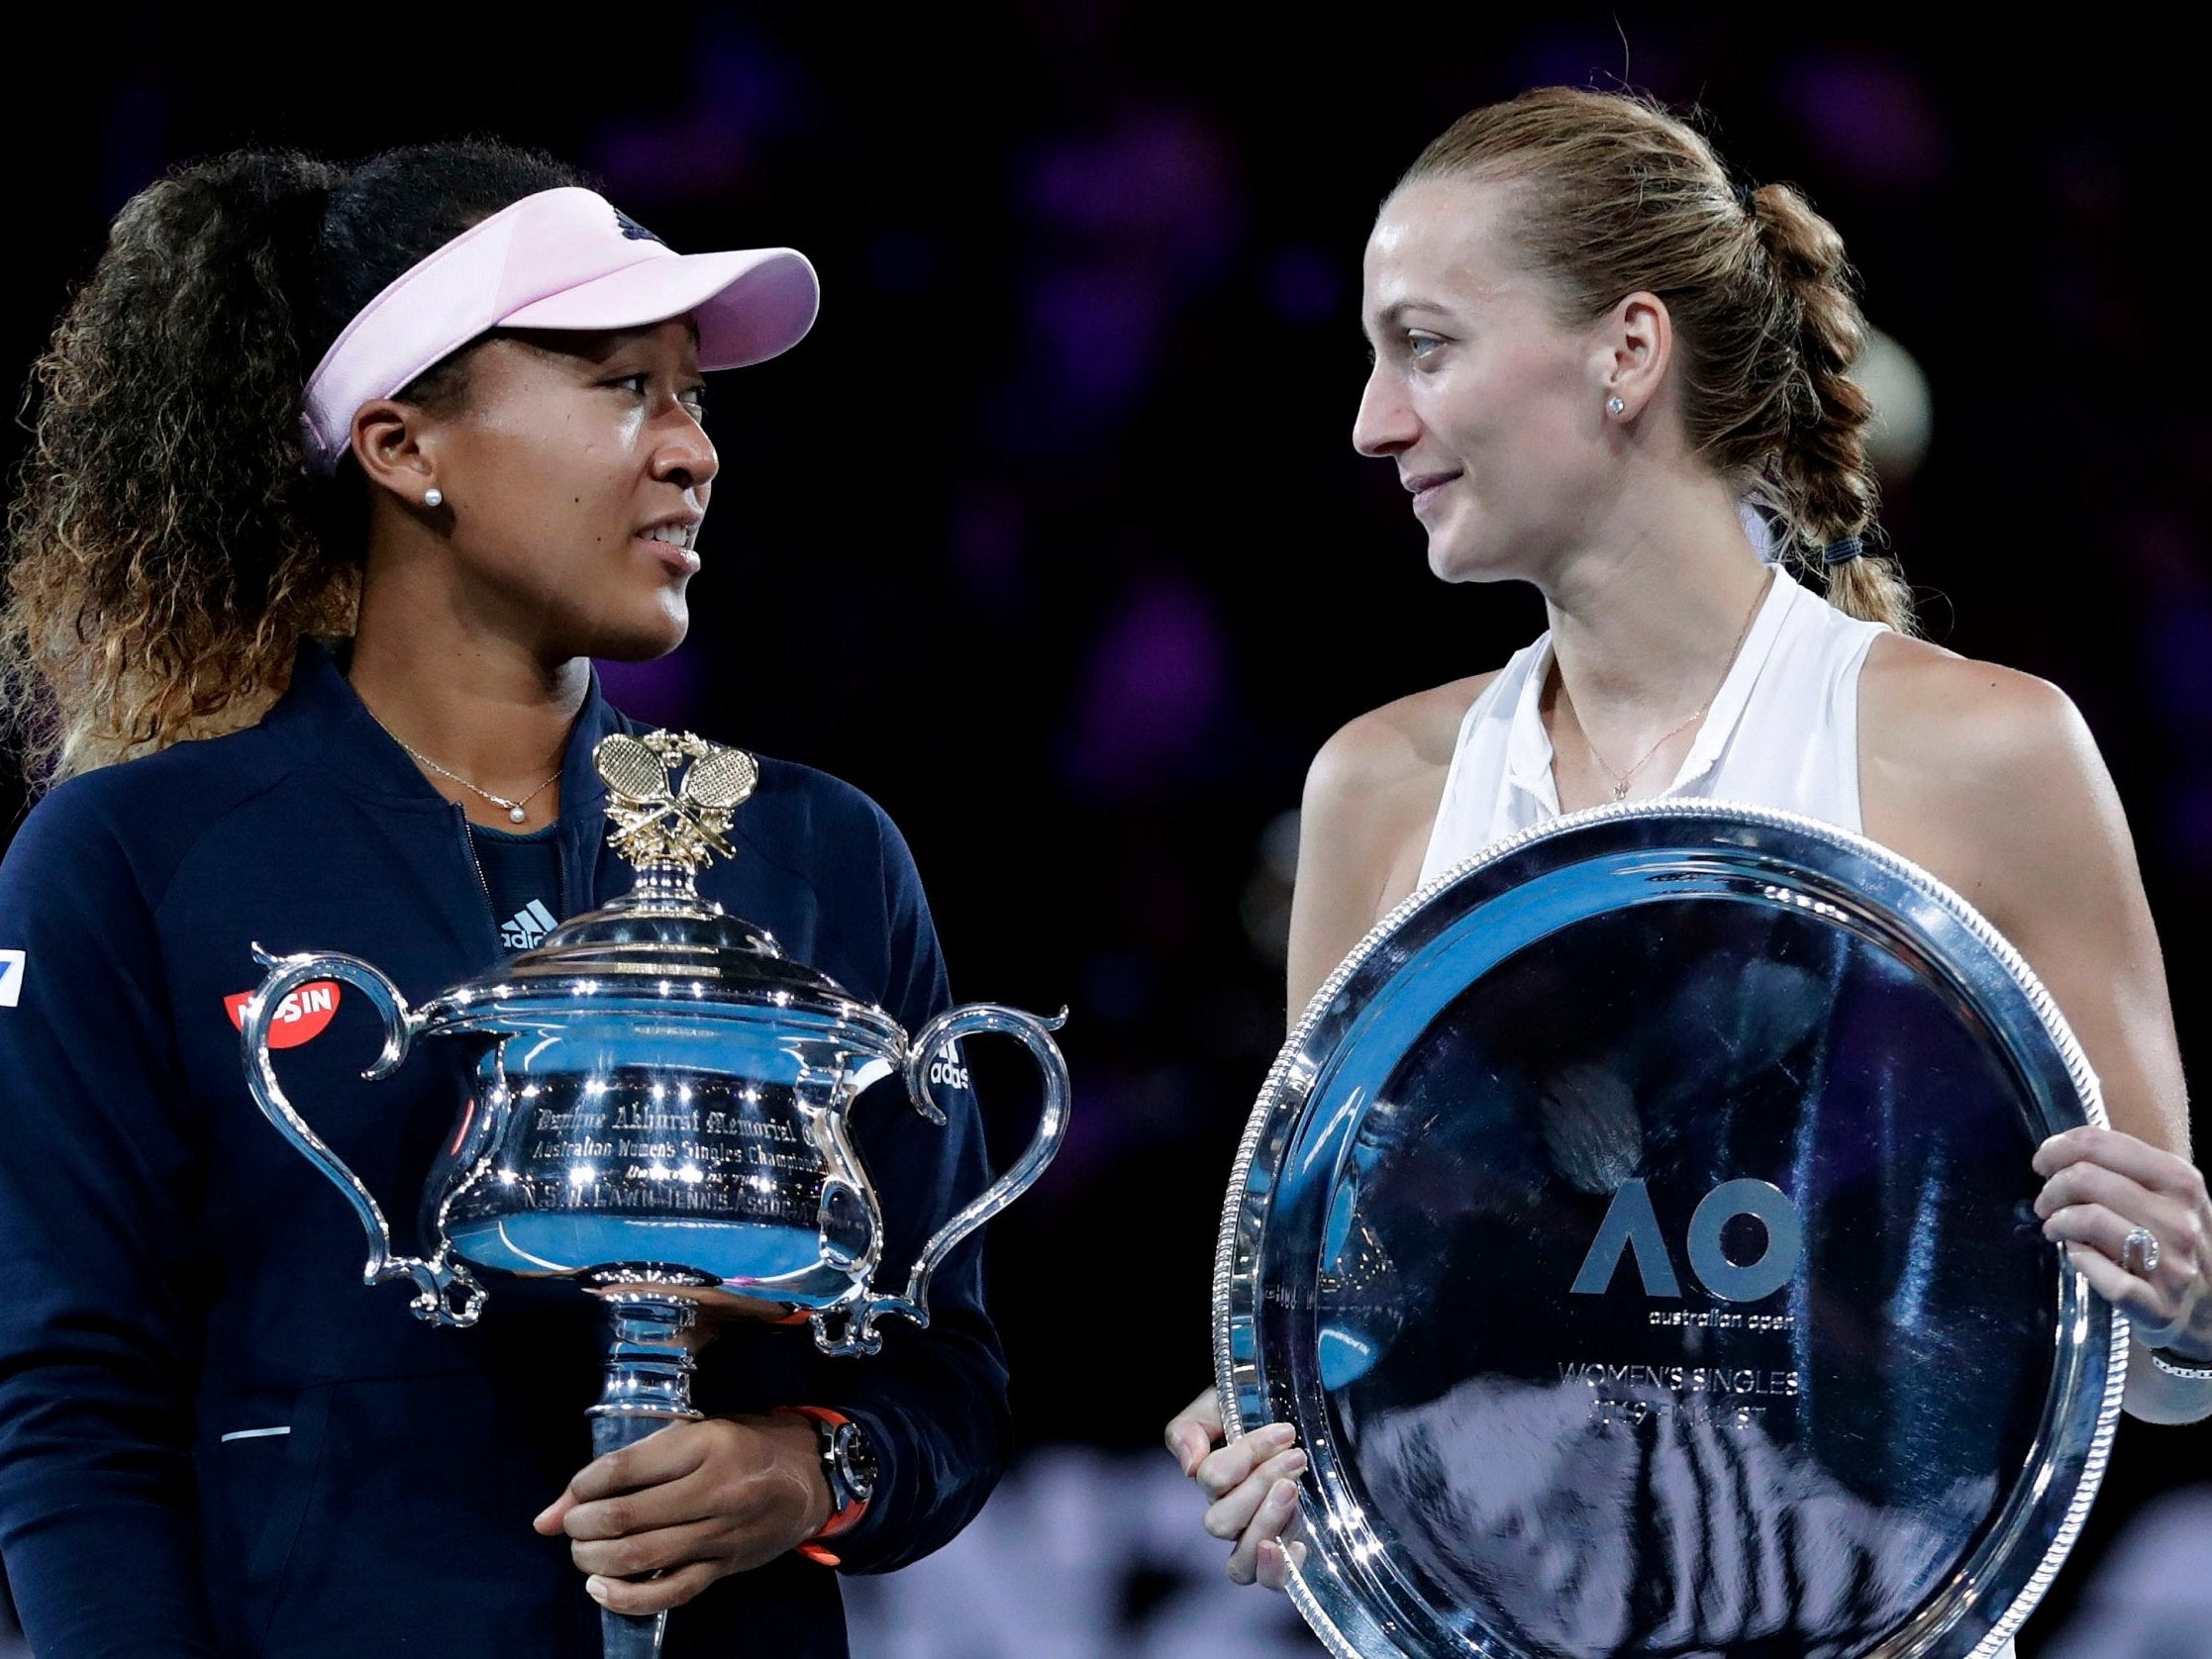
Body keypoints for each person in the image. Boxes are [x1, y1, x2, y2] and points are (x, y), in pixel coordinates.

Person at [1163, 83, 2212, 1613]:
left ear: (1624, 354)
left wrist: (2189, 1302)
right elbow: (1352, 1314)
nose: (1371, 420)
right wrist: (1263, 1433)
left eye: (1426, 344)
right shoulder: (1371, 792)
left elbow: (2153, 1356)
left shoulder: (1989, 755)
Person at [0, 142, 1011, 1657]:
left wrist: (806, 1471)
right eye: (622, 387)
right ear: (406, 448)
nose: (692, 450)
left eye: (696, 397)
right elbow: (72, 1408)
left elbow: (945, 1378)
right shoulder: (131, 855)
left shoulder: (820, 851)